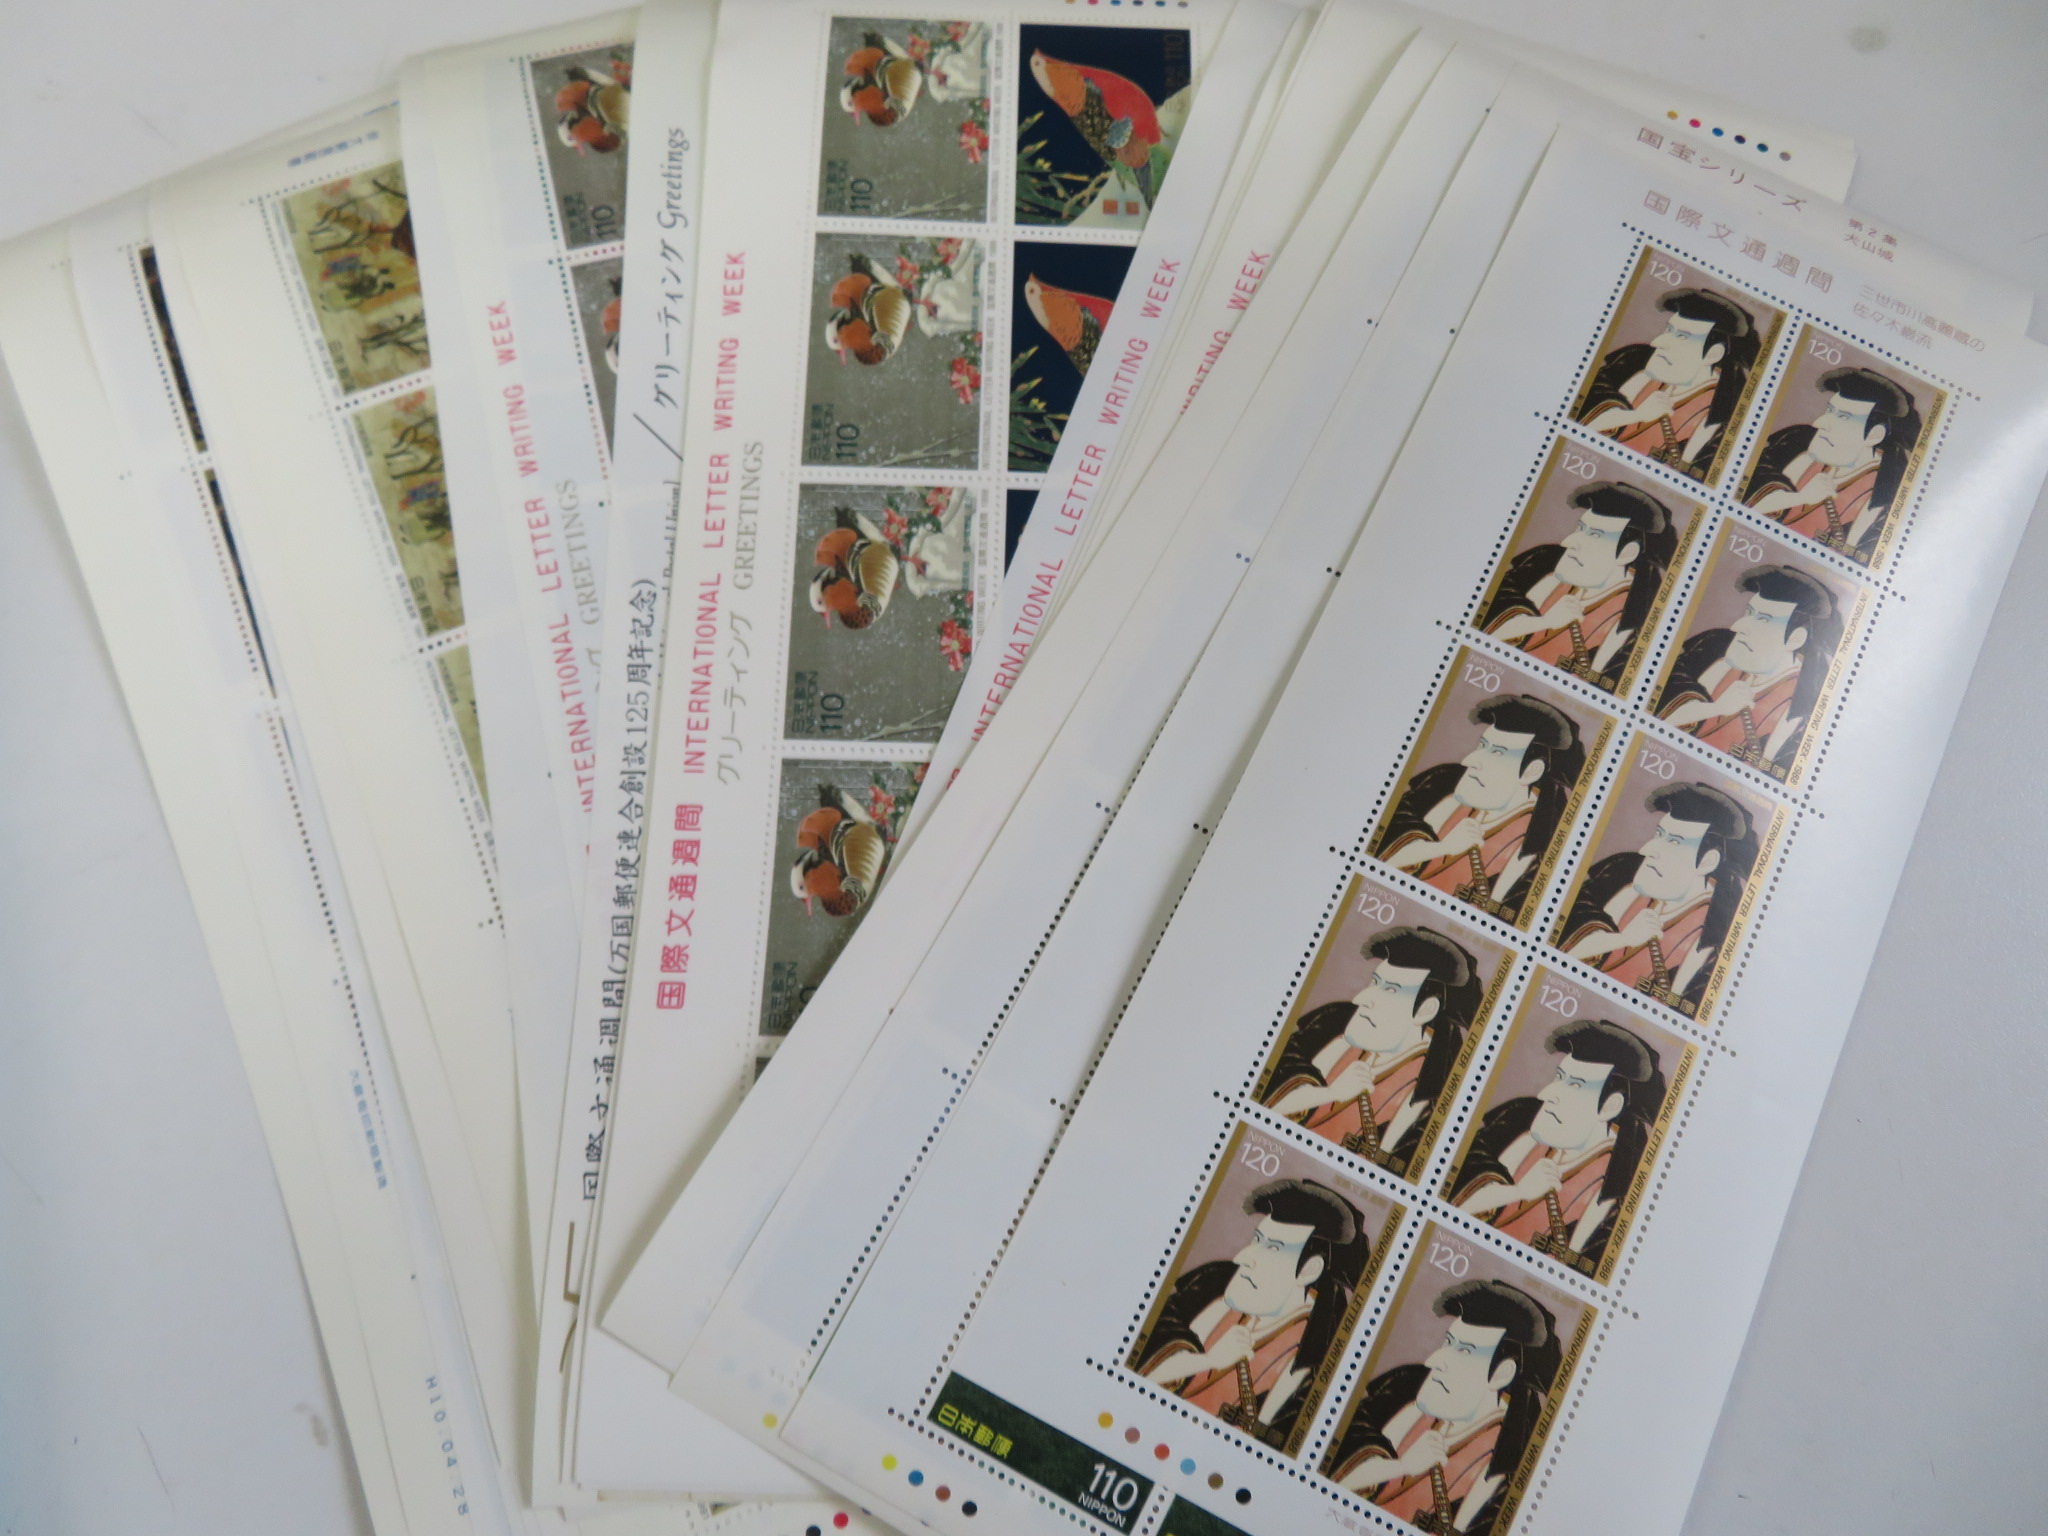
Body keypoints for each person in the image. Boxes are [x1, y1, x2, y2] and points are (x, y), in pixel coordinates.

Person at [1136, 1178, 1369, 1448]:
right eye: (1257, 1240)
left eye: (1272, 1248)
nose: (1242, 1258)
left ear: (1309, 1270)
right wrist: (1207, 1360)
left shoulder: (1320, 1365)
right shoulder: (1210, 1283)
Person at [1326, 1278, 1562, 1536]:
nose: (1434, 1360)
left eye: (1464, 1351)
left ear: (1501, 1374)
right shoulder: (1402, 1388)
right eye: (1448, 1342)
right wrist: (1401, 1466)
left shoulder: (1509, 1473)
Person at [1449, 1020, 1666, 1271]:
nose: (1546, 1094)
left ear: (1610, 1106)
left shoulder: (1620, 1197)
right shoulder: (1514, 1122)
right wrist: (1518, 1191)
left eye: (1574, 1085)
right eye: (1559, 1077)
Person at [1262, 927, 1481, 1174]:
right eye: (1375, 982)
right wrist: (1329, 1093)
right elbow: (1263, 1094)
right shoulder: (1331, 1023)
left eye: (1390, 989)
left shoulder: (1434, 1100)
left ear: (1425, 1010)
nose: (1361, 998)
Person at [1374, 696, 1586, 922]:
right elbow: (1378, 848)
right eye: (1482, 746)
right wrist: (1441, 848)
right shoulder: (1441, 785)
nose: (1469, 760)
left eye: (1497, 753)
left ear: (1530, 772)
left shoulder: (1543, 850)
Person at [1557, 783, 1757, 1014]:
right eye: (1659, 834)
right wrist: (1622, 939)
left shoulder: (1718, 943)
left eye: (1674, 842)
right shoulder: (1619, 874)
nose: (1646, 849)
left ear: (1707, 862)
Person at [1480, 482, 1679, 689]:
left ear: (1627, 553)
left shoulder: (1639, 624)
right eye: (1580, 528)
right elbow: (1484, 620)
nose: (1568, 541)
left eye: (1594, 534)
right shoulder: (1542, 563)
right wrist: (1544, 622)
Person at [1654, 564, 1839, 774]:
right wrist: (1716, 708)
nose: (1738, 626)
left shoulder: (1803, 712)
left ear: (1795, 639)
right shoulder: (1711, 647)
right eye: (1748, 613)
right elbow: (1653, 706)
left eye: (1763, 620)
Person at [1574, 287, 1760, 479]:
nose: (1657, 342)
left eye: (1681, 336)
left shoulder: (1726, 416)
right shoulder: (1631, 363)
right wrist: (1635, 416)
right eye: (1668, 330)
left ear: (1712, 354)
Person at [1743, 364, 1923, 558]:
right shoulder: (1796, 441)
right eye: (1829, 410)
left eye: (1843, 417)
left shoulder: (1887, 500)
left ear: (1874, 435)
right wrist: (1800, 498)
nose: (1819, 422)